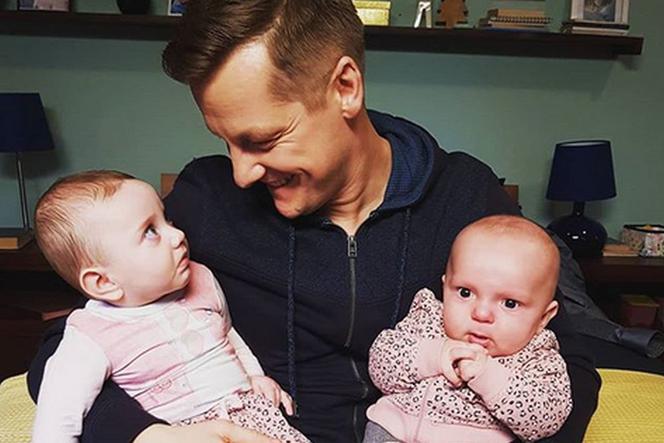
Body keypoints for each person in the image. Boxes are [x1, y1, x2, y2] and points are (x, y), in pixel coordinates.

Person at [28, 1, 600, 442]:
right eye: (226, 141)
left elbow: (572, 364)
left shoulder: (464, 196)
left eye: (262, 140)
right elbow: (71, 346)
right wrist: (144, 434)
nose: (242, 172)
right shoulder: (206, 200)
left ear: (345, 87)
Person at [30, 171, 306, 443]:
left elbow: (227, 335)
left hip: (252, 416)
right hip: (183, 432)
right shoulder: (93, 334)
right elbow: (57, 416)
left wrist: (255, 376)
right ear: (104, 282)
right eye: (150, 231)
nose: (177, 235)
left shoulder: (201, 279)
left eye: (167, 219)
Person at [364, 215, 572, 443]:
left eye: (510, 303)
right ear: (445, 287)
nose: (481, 314)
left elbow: (546, 419)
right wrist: (433, 355)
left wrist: (489, 378)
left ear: (543, 318)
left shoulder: (538, 357)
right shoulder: (428, 319)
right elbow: (380, 366)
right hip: (393, 430)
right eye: (465, 292)